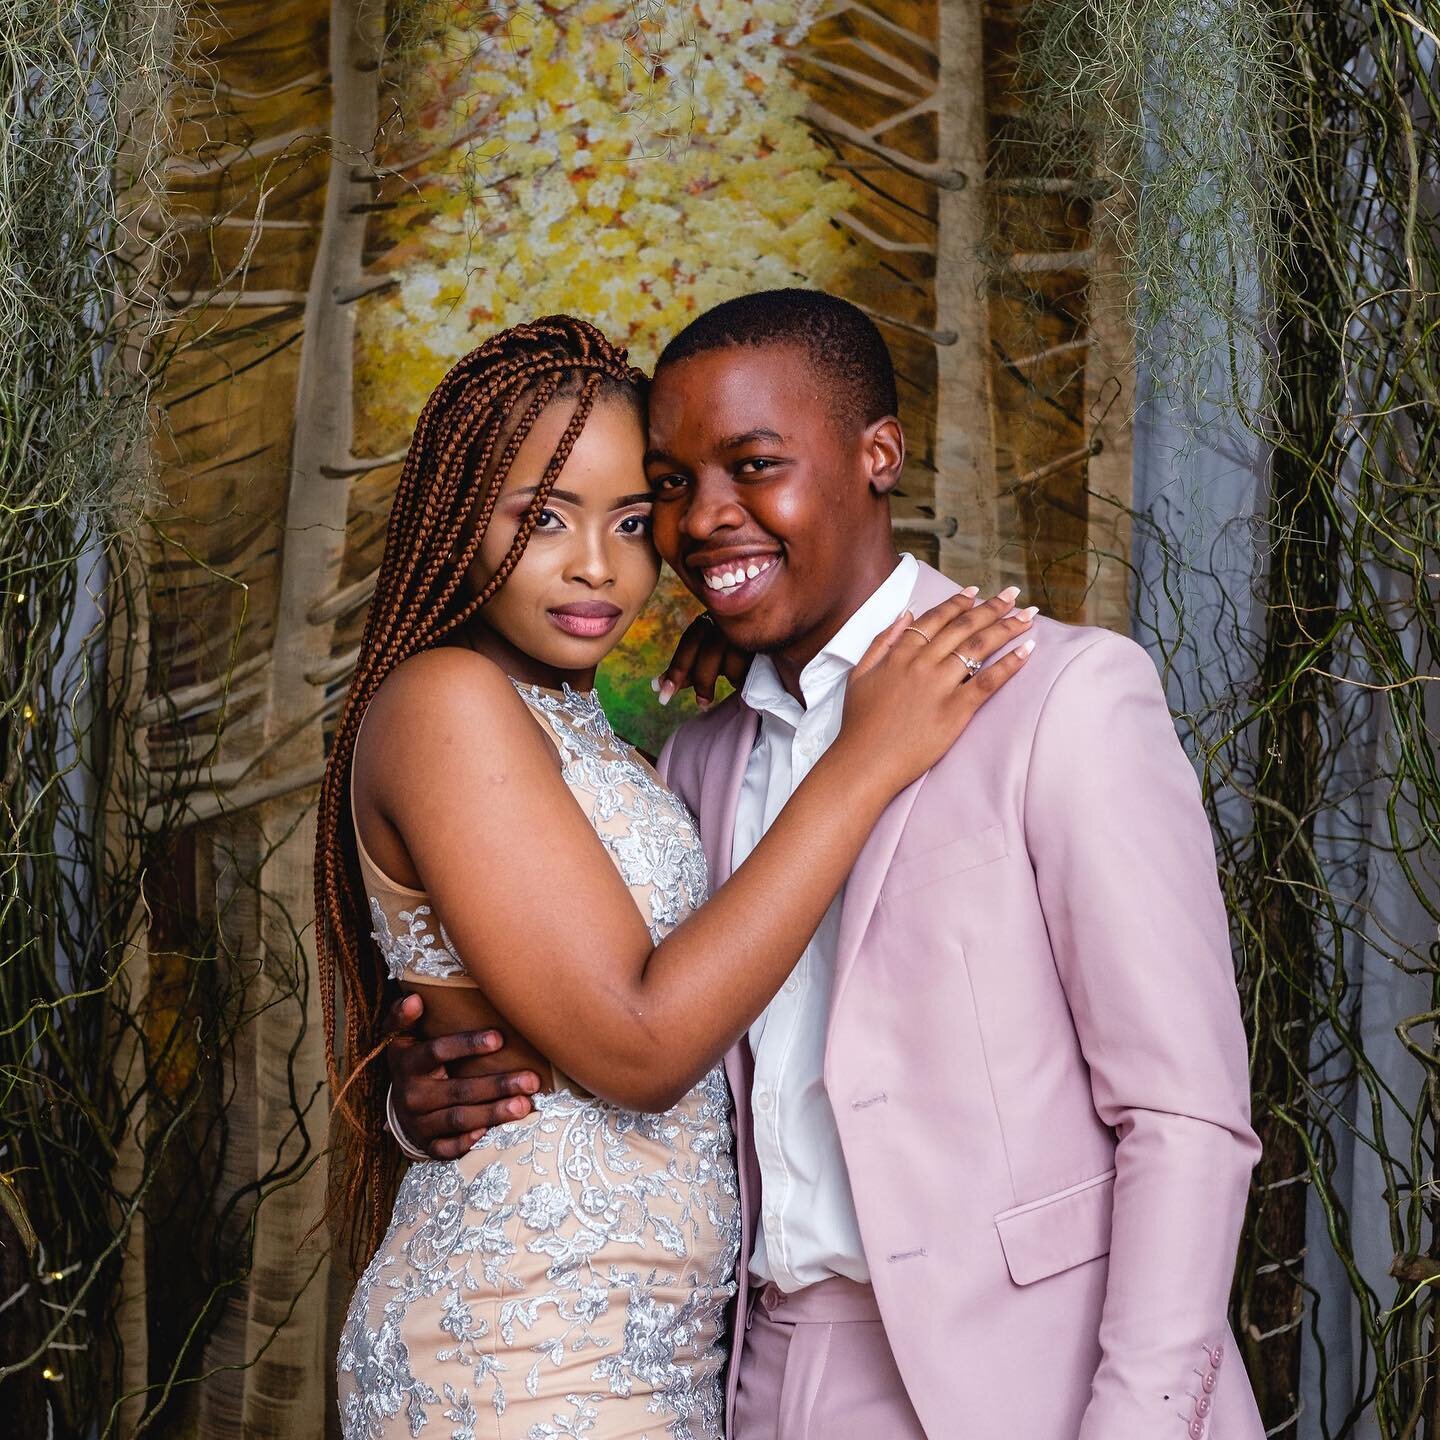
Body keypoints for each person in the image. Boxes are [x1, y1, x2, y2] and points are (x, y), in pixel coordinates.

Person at [389, 291, 1267, 1440]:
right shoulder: (694, 756)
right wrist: (436, 1097)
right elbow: (645, 1025)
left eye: (755, 465)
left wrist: (1139, 1424)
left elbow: (1185, 1115)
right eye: (675, 484)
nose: (705, 520)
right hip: (753, 1378)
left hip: (1037, 1382)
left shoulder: (1065, 696)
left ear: (879, 455)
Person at [316, 313, 1033, 1440]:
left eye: (633, 521)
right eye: (542, 518)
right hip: (520, 1350)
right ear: (460, 521)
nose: (598, 565)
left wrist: (752, 643)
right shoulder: (445, 702)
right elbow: (641, 1045)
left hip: (666, 1354)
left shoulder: (594, 729)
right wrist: (864, 757)